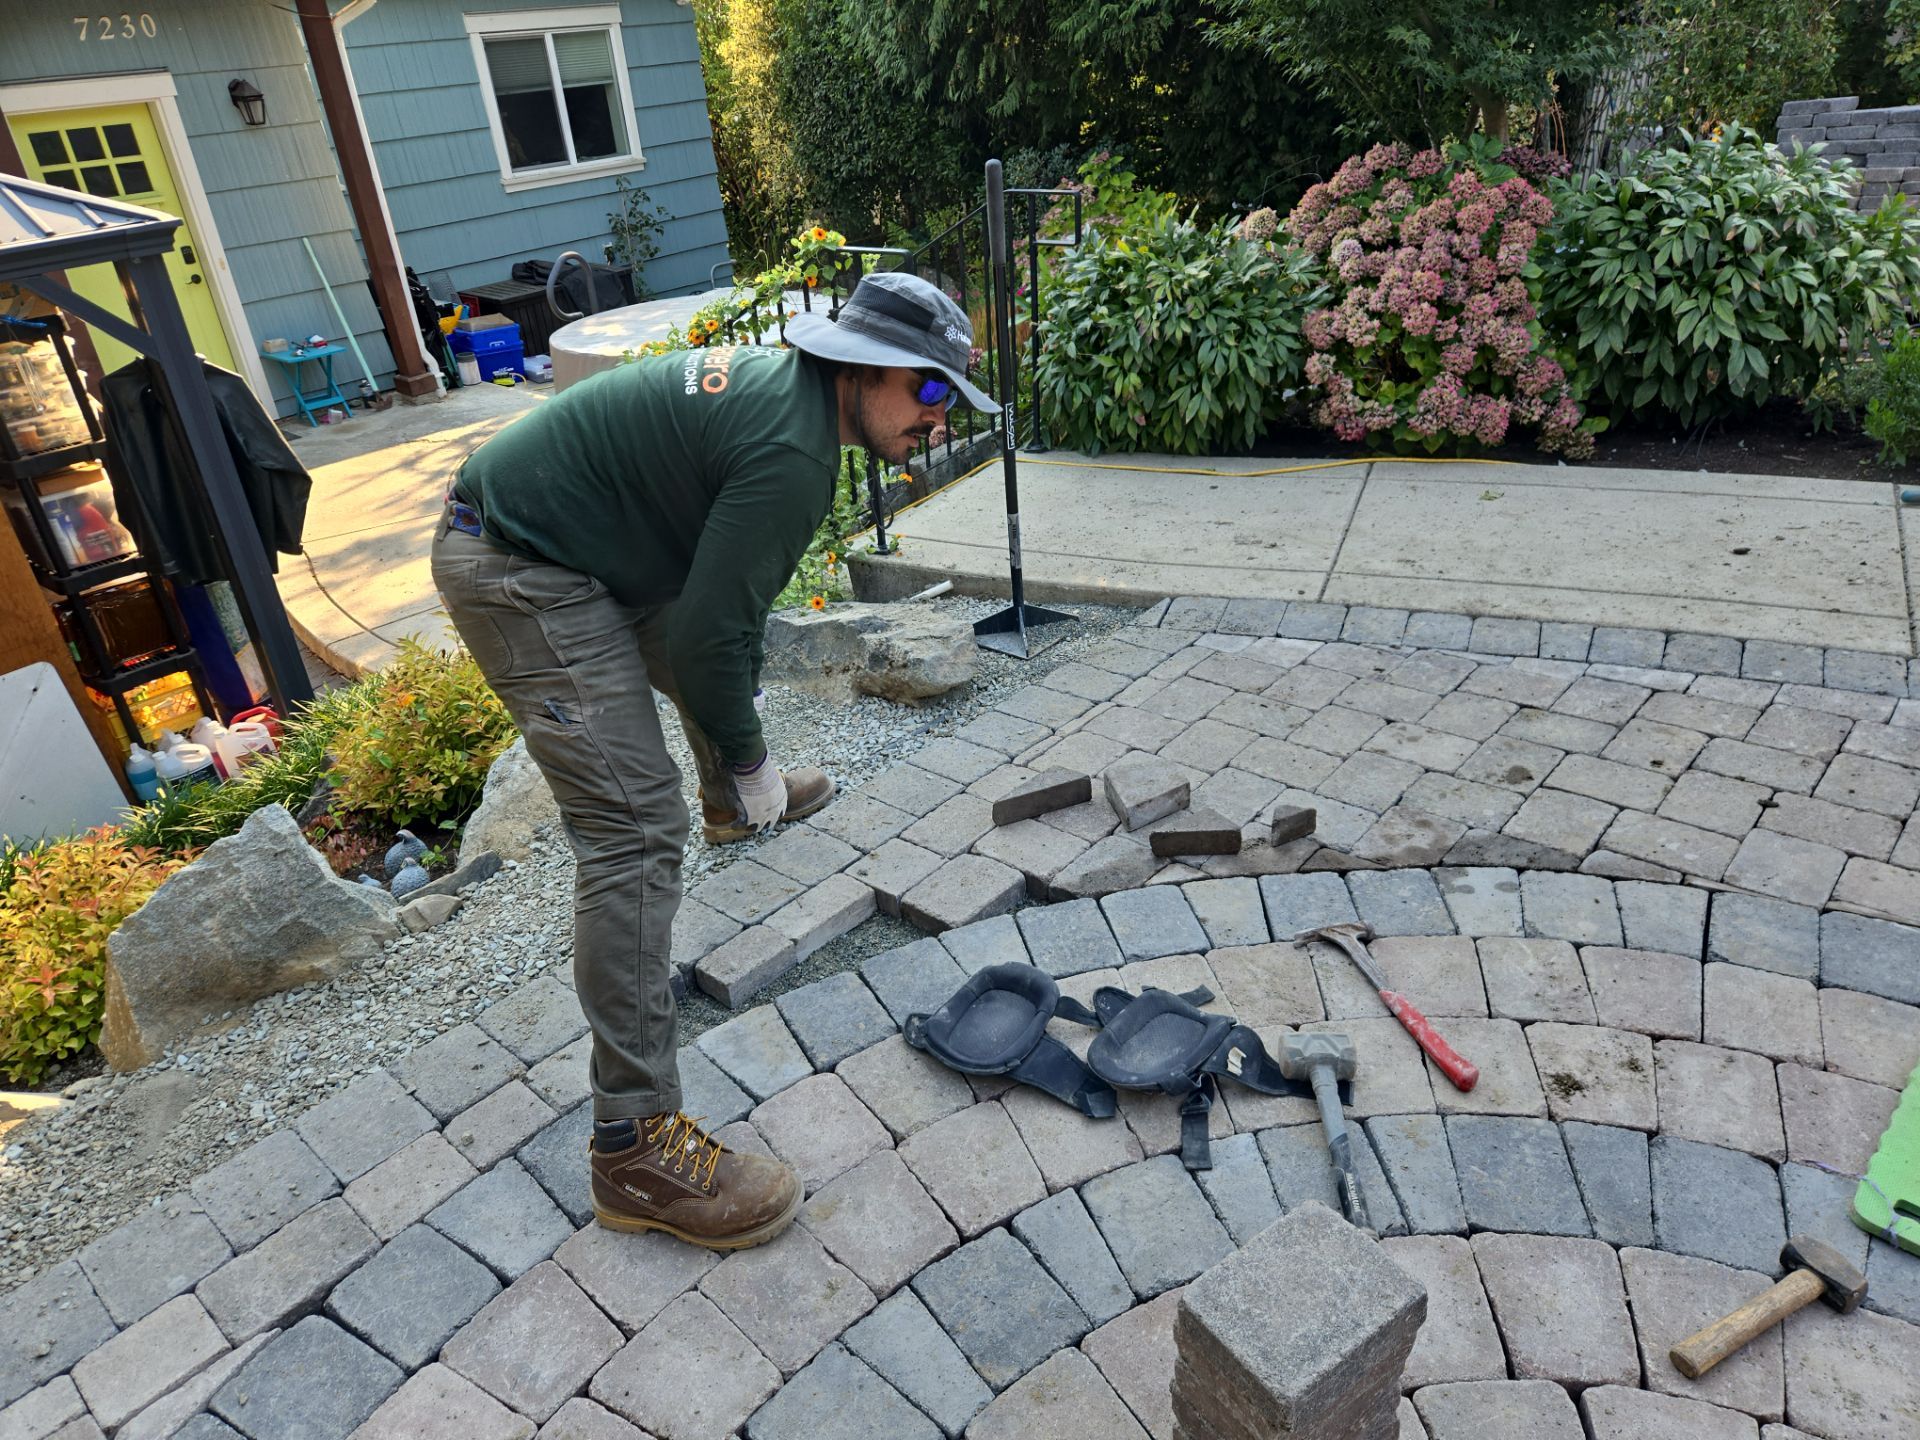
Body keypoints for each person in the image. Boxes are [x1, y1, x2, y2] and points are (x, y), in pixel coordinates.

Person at [431, 271, 995, 1250]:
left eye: (955, 398)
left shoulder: (790, 404)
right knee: (635, 831)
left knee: (728, 633)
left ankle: (738, 802)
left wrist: (742, 768)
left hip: (589, 549)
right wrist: (748, 758)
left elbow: (711, 623)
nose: (940, 420)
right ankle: (634, 1148)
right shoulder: (791, 454)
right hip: (520, 565)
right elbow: (700, 642)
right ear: (861, 369)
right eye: (932, 391)